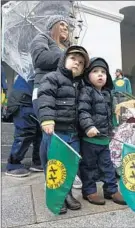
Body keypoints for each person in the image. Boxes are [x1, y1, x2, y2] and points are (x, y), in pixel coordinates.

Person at [30, 15, 82, 188]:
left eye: (67, 26)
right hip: (44, 90)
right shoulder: (42, 38)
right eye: (61, 24)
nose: (65, 28)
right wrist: (67, 58)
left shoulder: (68, 47)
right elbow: (40, 59)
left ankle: (68, 170)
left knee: (67, 132)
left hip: (65, 93)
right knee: (49, 133)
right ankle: (50, 174)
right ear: (52, 26)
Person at [37, 45, 89, 214]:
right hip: (55, 132)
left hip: (73, 133)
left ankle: (67, 194)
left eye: (81, 62)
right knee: (54, 165)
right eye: (73, 59)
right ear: (64, 59)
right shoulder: (52, 77)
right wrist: (46, 119)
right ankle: (55, 197)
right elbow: (45, 98)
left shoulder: (81, 85)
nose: (77, 63)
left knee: (69, 166)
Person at [78, 58, 126, 206]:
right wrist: (88, 126)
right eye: (95, 71)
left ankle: (111, 190)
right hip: (89, 140)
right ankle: (89, 191)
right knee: (89, 167)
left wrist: (113, 130)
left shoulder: (107, 94)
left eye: (103, 72)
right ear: (88, 75)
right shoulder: (86, 91)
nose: (100, 75)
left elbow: (110, 116)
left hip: (104, 139)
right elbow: (83, 111)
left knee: (108, 166)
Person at [5, 75, 43, 177]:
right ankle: (13, 164)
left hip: (33, 100)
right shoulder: (29, 67)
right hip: (24, 100)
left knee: (40, 133)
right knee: (25, 133)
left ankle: (38, 161)